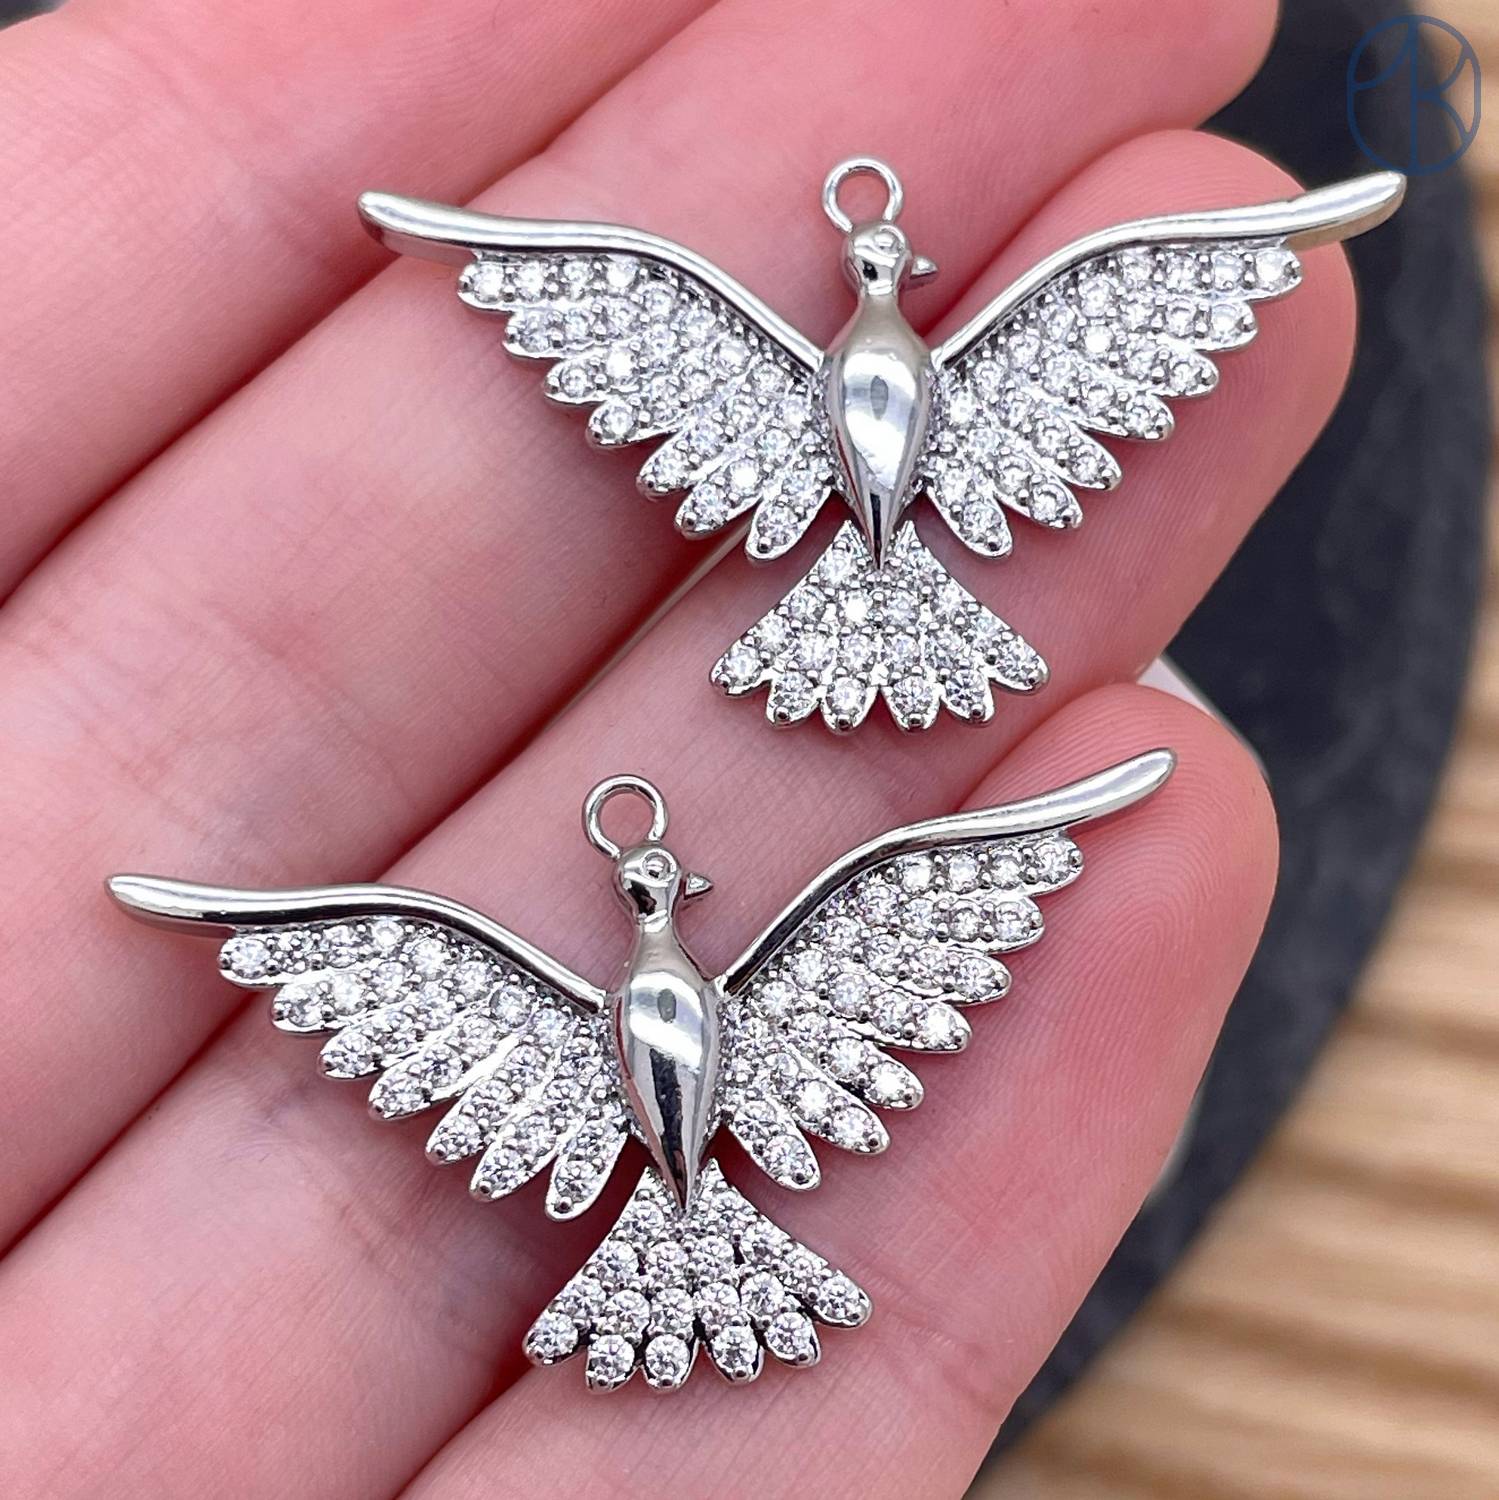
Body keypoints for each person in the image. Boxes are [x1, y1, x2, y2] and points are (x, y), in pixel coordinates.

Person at [0, 0, 1351, 1493]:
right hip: (839, 607)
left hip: (884, 586)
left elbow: (958, 862)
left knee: (928, 868)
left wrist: (1054, 820)